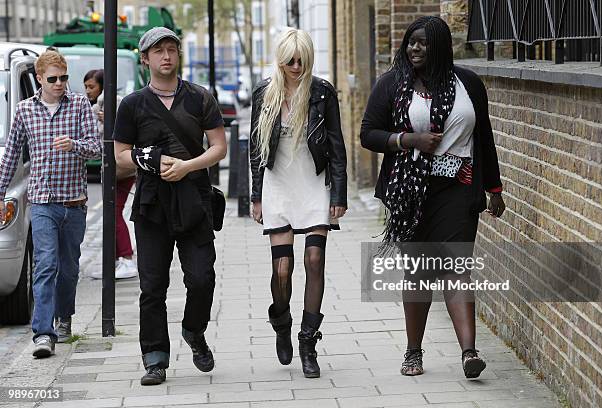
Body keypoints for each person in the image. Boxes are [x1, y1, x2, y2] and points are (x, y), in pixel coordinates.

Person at [360, 16, 506, 378]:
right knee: (420, 272)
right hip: (411, 191)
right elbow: (368, 134)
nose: (414, 48)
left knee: (456, 268)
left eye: (423, 43)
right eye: (411, 42)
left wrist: (495, 188)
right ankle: (413, 352)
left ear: (440, 46)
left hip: (459, 186)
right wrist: (407, 140)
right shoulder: (392, 84)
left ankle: (469, 352)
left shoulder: (468, 83)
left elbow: (483, 136)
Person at [114, 27, 227, 386]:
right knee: (153, 286)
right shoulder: (132, 104)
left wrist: (187, 166)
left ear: (178, 55)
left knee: (202, 278)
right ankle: (155, 358)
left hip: (194, 197)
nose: (166, 56)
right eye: (158, 51)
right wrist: (150, 161)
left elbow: (219, 147)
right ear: (144, 59)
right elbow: (118, 157)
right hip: (152, 203)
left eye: (172, 49)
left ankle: (194, 331)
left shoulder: (199, 98)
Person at [249, 28, 348, 378]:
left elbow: (336, 143)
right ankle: (281, 320)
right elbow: (256, 147)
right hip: (278, 183)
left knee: (315, 258)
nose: (295, 66)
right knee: (282, 269)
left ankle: (308, 343)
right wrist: (256, 196)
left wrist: (339, 195)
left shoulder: (321, 92)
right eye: (289, 60)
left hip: (313, 182)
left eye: (301, 60)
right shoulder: (264, 92)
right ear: (280, 60)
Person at [0, 49, 101, 356]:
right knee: (45, 266)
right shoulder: (24, 110)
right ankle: (43, 333)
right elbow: (11, 154)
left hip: (74, 203)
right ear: (40, 79)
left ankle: (64, 317)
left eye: (64, 78)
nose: (60, 84)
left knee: (69, 269)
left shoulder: (80, 104)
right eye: (53, 79)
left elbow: (96, 147)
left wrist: (74, 145)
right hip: (42, 203)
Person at [85, 69, 138, 279]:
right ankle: (115, 260)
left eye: (91, 86)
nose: (88, 90)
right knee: (111, 213)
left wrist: (108, 120)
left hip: (121, 168)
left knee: (114, 213)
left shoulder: (110, 101)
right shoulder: (103, 103)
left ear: (102, 85)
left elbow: (124, 131)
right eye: (86, 86)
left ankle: (126, 258)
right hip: (115, 167)